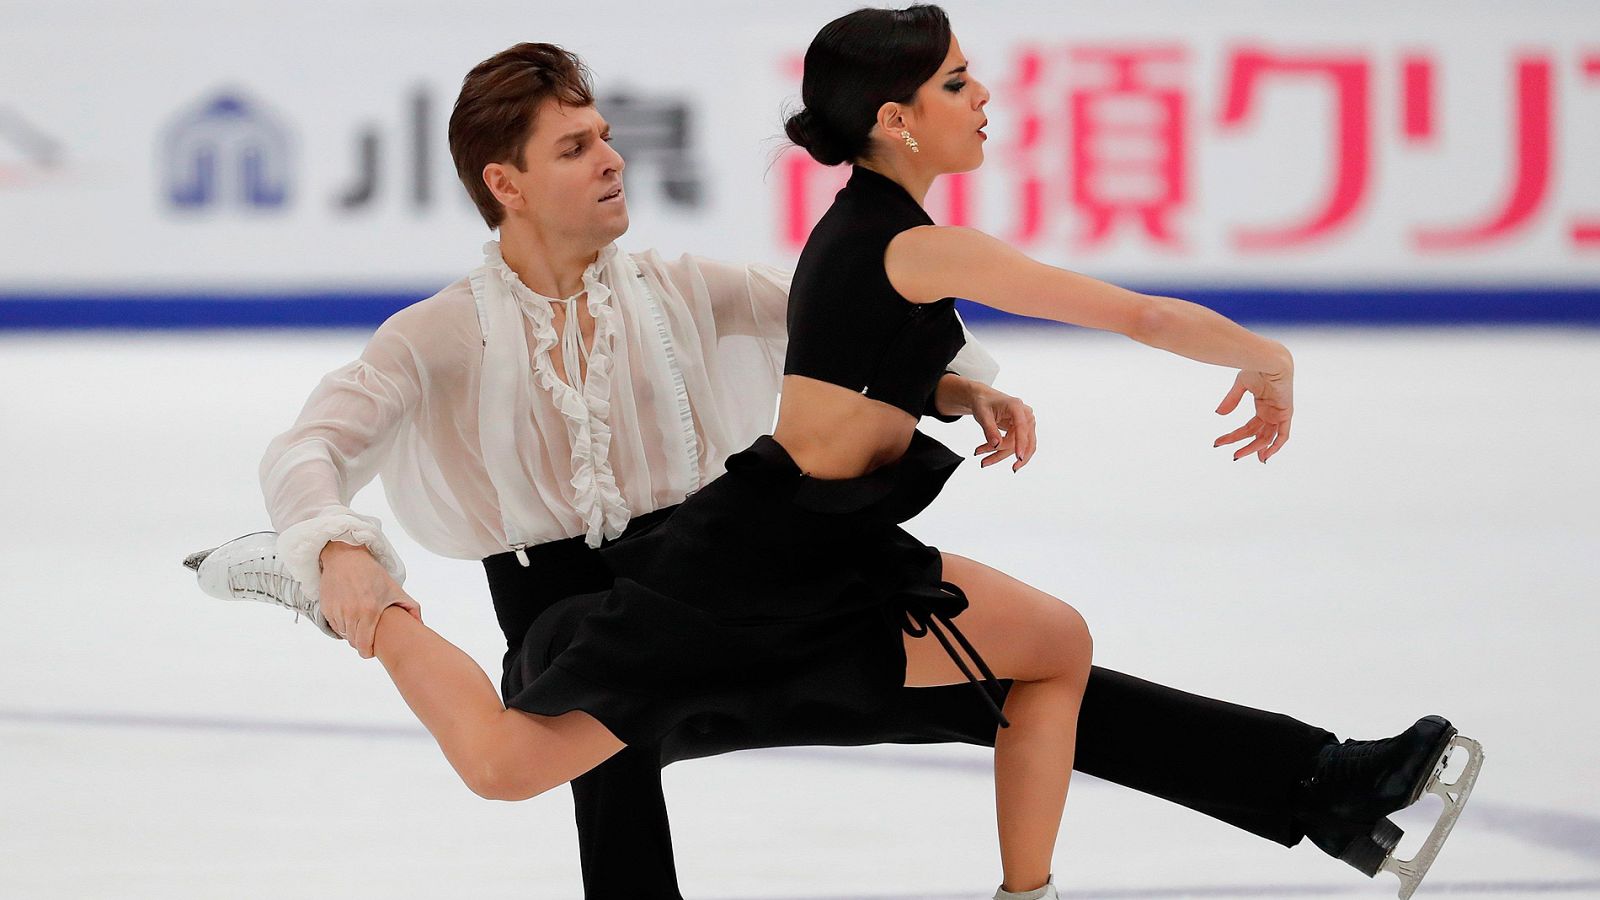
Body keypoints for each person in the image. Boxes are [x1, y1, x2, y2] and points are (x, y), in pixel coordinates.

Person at [188, 23, 1479, 900]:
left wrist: (951, 376)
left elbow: (832, 315)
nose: (613, 159)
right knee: (582, 761)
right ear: (505, 182)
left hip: (747, 576)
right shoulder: (439, 340)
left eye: (607, 135)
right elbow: (314, 444)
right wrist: (335, 549)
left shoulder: (683, 287)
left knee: (1024, 668)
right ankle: (1310, 783)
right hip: (585, 606)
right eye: (576, 148)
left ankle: (1316, 783)